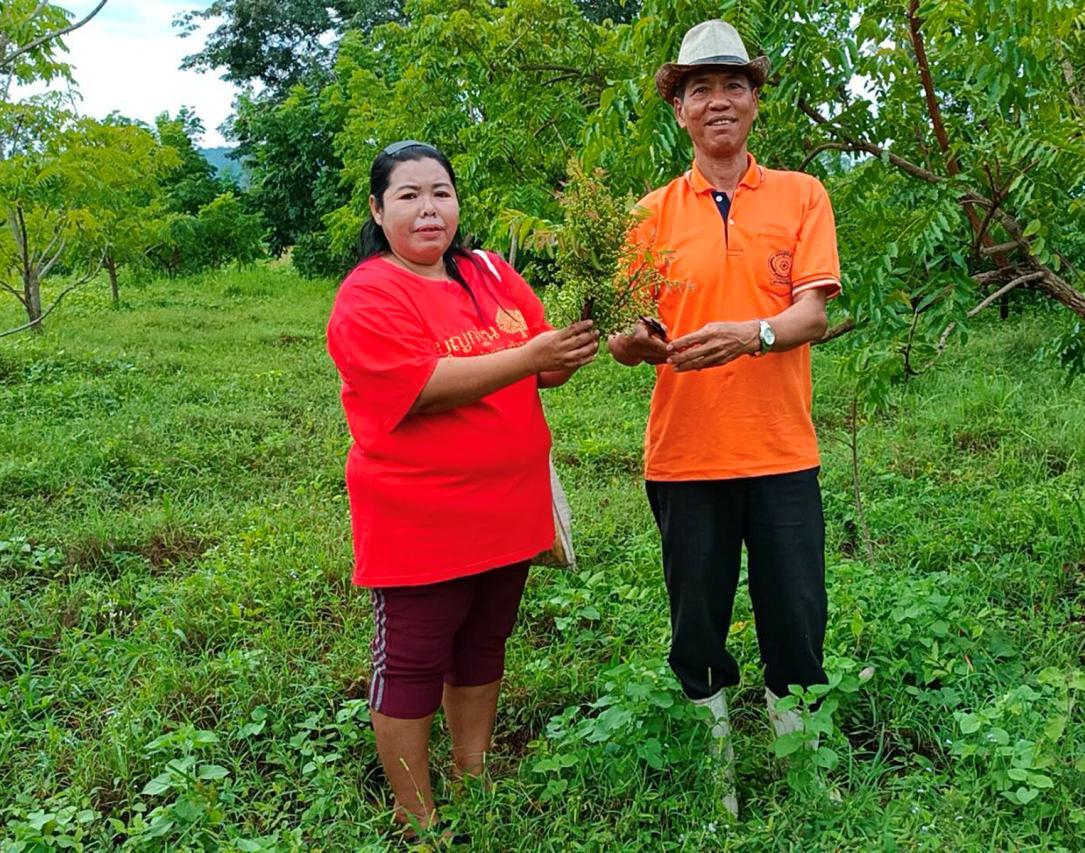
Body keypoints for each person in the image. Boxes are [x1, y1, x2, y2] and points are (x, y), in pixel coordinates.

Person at [325, 140, 598, 837]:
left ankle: (471, 773)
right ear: (377, 209)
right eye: (409, 195)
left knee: (483, 643)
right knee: (412, 663)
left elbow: (545, 365)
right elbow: (420, 387)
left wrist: (571, 347)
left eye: (440, 193)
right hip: (421, 517)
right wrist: (529, 356)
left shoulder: (489, 271)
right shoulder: (369, 293)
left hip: (508, 508)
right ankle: (415, 813)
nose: (428, 209)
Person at [608, 20, 841, 817]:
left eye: (733, 85)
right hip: (687, 455)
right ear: (678, 108)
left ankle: (802, 768)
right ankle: (719, 781)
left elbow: (811, 313)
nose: (718, 101)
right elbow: (622, 331)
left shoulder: (803, 196)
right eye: (700, 88)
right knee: (697, 623)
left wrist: (753, 333)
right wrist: (637, 340)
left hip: (782, 453)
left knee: (797, 618)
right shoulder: (648, 214)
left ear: (754, 101)